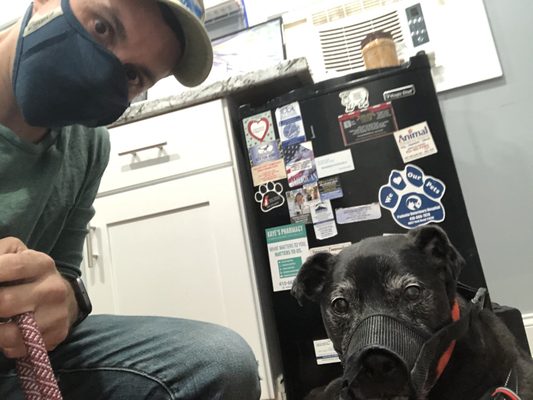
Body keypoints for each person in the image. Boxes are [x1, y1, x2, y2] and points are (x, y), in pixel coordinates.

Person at [0, 0, 261, 398]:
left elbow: (65, 279)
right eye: (103, 27)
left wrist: (60, 305)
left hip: (13, 357)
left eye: (132, 75)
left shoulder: (88, 146)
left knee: (219, 362)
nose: (101, 70)